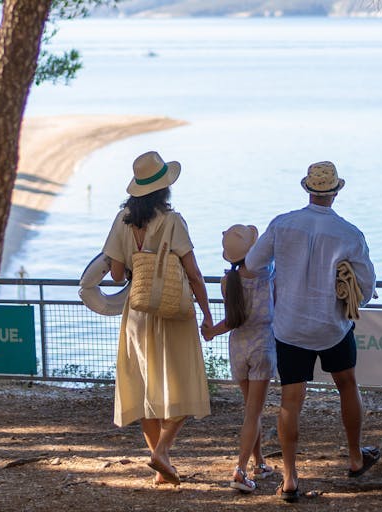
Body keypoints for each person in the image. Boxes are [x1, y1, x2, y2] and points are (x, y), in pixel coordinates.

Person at [245, 161, 378, 502]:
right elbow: (366, 282)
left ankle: (290, 479)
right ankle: (354, 457)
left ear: (307, 189)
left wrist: (283, 272)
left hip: (289, 326)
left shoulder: (282, 224)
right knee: (347, 384)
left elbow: (253, 264)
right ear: (335, 192)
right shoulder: (350, 233)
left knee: (291, 400)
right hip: (332, 324)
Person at [102, 150, 213, 487]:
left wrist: (141, 265)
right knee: (186, 381)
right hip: (173, 311)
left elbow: (118, 275)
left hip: (138, 312)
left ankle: (162, 468)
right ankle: (162, 452)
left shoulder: (122, 220)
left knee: (146, 387)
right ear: (164, 189)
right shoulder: (173, 221)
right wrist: (208, 314)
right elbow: (193, 273)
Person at [200, 225, 276, 494]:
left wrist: (210, 332)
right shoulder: (269, 275)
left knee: (250, 411)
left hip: (238, 350)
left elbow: (232, 320)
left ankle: (260, 463)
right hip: (263, 348)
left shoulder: (227, 282)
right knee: (253, 413)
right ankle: (240, 470)